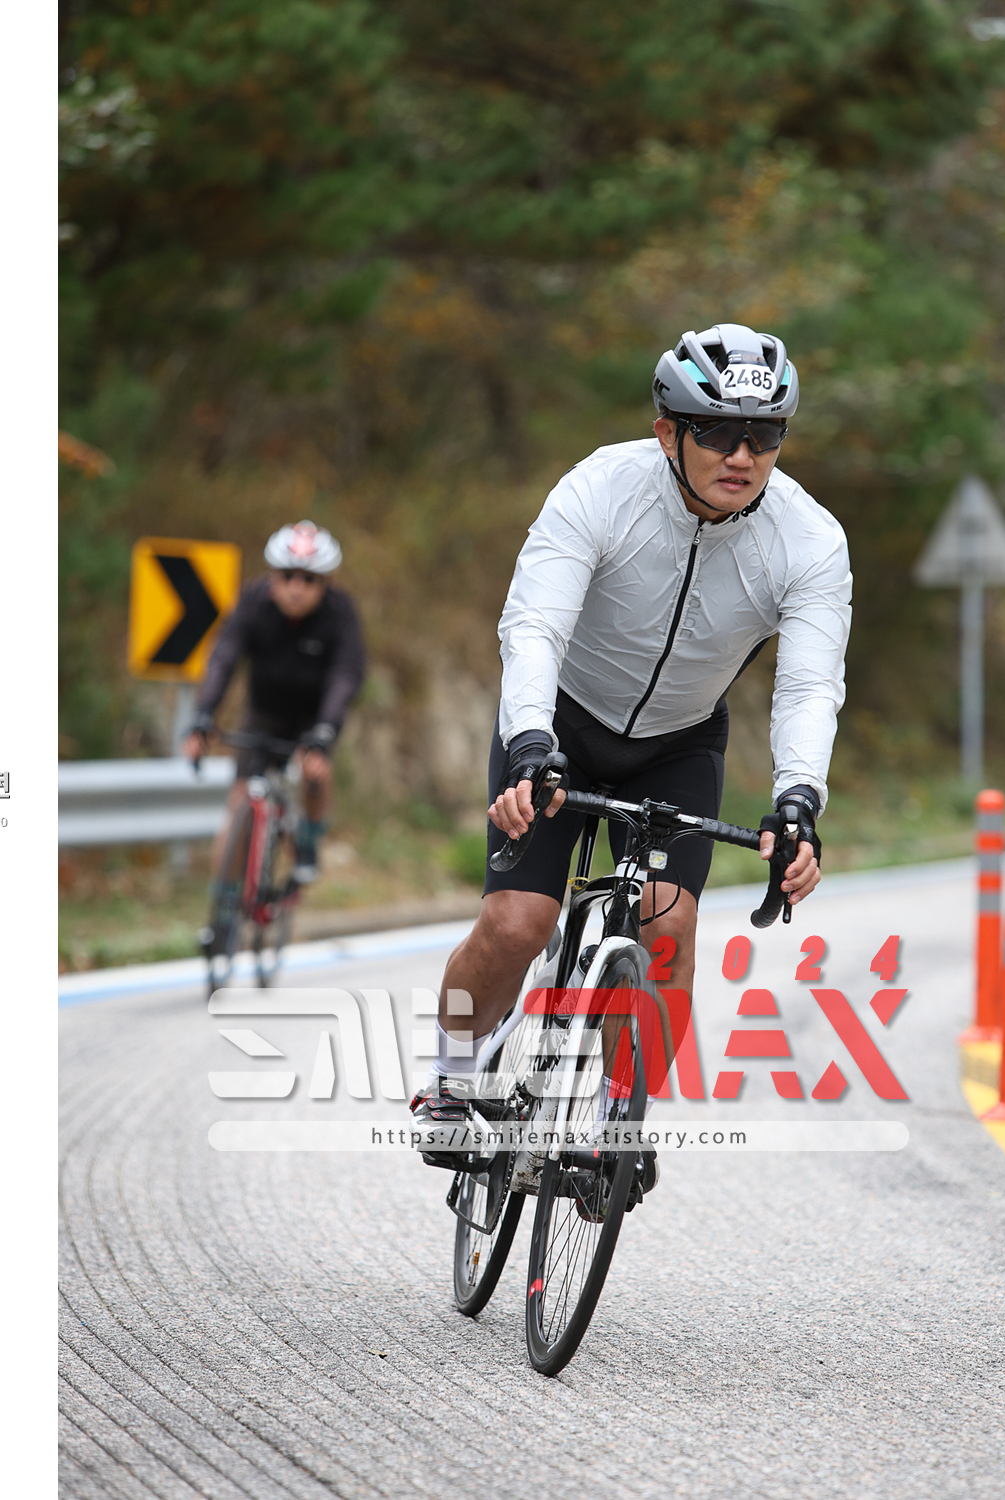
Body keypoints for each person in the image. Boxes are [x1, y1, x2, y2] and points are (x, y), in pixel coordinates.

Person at [413, 323, 852, 1171]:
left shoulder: (810, 540)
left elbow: (808, 686)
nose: (742, 455)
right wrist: (530, 739)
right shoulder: (601, 489)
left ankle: (617, 1125)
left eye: (764, 436)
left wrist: (799, 799)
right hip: (562, 727)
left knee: (669, 929)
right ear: (667, 432)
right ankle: (452, 1077)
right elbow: (535, 626)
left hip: (679, 743)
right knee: (517, 923)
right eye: (717, 431)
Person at [183, 523, 365, 939]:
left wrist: (326, 731)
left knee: (316, 771)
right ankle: (222, 909)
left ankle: (308, 842)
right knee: (239, 804)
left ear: (325, 583)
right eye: (286, 576)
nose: (296, 588)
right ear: (272, 577)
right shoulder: (253, 602)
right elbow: (224, 656)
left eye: (309, 579)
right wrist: (204, 714)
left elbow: (346, 675)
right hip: (263, 713)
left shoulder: (340, 613)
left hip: (314, 717)